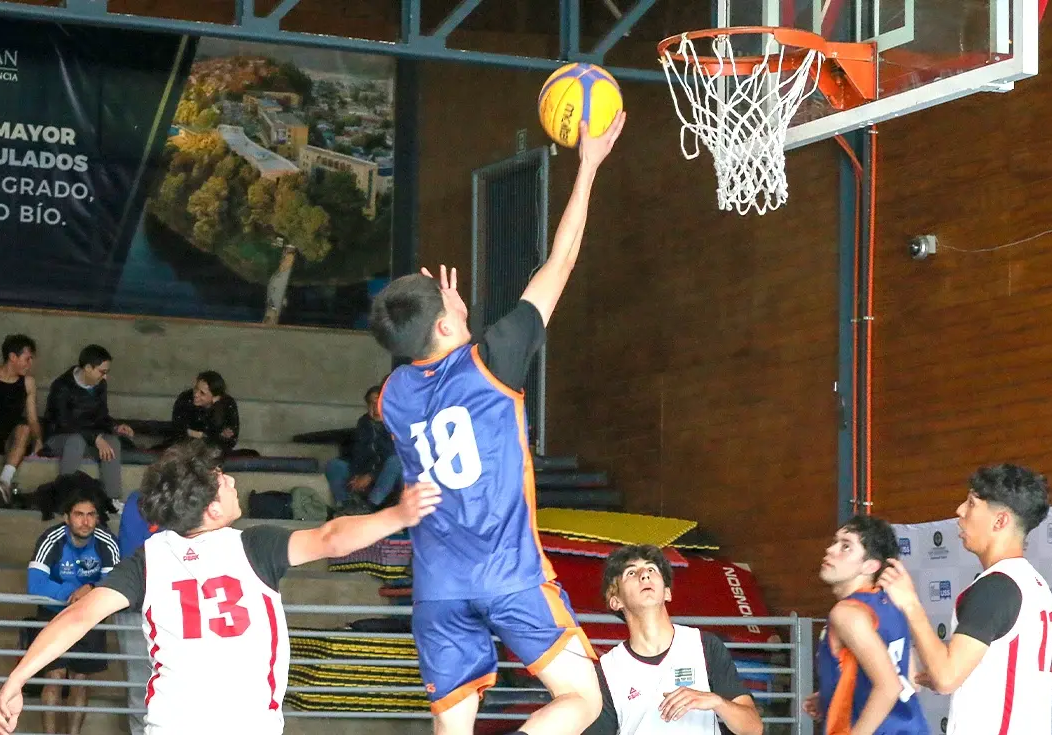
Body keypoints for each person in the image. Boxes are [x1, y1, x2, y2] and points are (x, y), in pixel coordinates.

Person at [369, 112, 625, 735]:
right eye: (450, 307)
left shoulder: (393, 397)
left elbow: (419, 346)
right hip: (509, 575)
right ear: (446, 323)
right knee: (583, 700)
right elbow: (557, 265)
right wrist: (587, 167)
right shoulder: (495, 361)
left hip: (437, 588)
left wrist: (443, 317)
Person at [0, 440, 444, 735]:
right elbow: (331, 537)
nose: (232, 481)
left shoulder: (148, 560)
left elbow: (78, 615)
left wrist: (17, 677)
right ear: (209, 510)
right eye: (222, 481)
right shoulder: (255, 545)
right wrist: (398, 517)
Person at [876, 464, 1052, 735]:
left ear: (1000, 521)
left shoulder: (996, 586)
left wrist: (909, 603)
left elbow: (947, 677)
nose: (960, 511)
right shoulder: (1033, 584)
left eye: (971, 503)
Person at [584, 545, 763, 735]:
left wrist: (716, 702)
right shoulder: (607, 670)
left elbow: (753, 728)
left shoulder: (704, 645)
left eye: (651, 569)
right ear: (615, 601)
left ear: (667, 592)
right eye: (631, 572)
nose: (644, 575)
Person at [805, 517, 927, 735]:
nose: (830, 550)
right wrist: (831, 693)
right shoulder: (892, 605)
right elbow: (909, 679)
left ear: (870, 566)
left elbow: (889, 687)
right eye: (834, 542)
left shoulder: (847, 613)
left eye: (846, 546)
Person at [24, 484, 121, 735]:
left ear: (97, 518)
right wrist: (71, 594)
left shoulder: (107, 541)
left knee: (81, 680)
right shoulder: (51, 539)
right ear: (67, 517)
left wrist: (89, 587)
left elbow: (115, 581)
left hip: (90, 616)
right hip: (53, 614)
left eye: (91, 515)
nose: (85, 521)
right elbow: (35, 583)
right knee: (53, 676)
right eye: (79, 514)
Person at [43, 344, 135, 501]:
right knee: (75, 441)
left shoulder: (100, 386)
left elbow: (101, 416)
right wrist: (96, 438)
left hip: (88, 439)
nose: (105, 377)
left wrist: (115, 427)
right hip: (59, 439)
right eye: (102, 372)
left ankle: (112, 500)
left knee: (112, 442)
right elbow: (64, 423)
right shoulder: (62, 386)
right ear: (87, 368)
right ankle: (65, 497)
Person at [0, 334, 41, 501]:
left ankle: (4, 481)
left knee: (24, 429)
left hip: (12, 439)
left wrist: (38, 440)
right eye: (27, 359)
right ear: (13, 357)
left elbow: (33, 419)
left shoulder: (28, 382)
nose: (30, 364)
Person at [114, 487, 154, 735]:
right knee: (140, 689)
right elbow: (135, 555)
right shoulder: (139, 502)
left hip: (183, 608)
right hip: (137, 608)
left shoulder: (199, 508)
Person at [325, 384, 400, 512]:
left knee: (395, 461)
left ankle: (370, 505)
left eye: (379, 403)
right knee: (335, 465)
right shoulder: (364, 423)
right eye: (371, 403)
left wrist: (371, 476)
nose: (375, 408)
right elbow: (358, 453)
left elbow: (391, 454)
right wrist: (357, 475)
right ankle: (346, 505)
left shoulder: (396, 423)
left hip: (386, 475)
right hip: (365, 473)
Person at [162, 371, 240, 454]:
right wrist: (206, 436)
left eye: (202, 393)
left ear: (215, 398)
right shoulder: (185, 399)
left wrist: (196, 434)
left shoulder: (228, 404)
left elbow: (230, 440)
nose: (196, 394)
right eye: (196, 388)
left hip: (214, 452)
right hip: (184, 449)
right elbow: (177, 429)